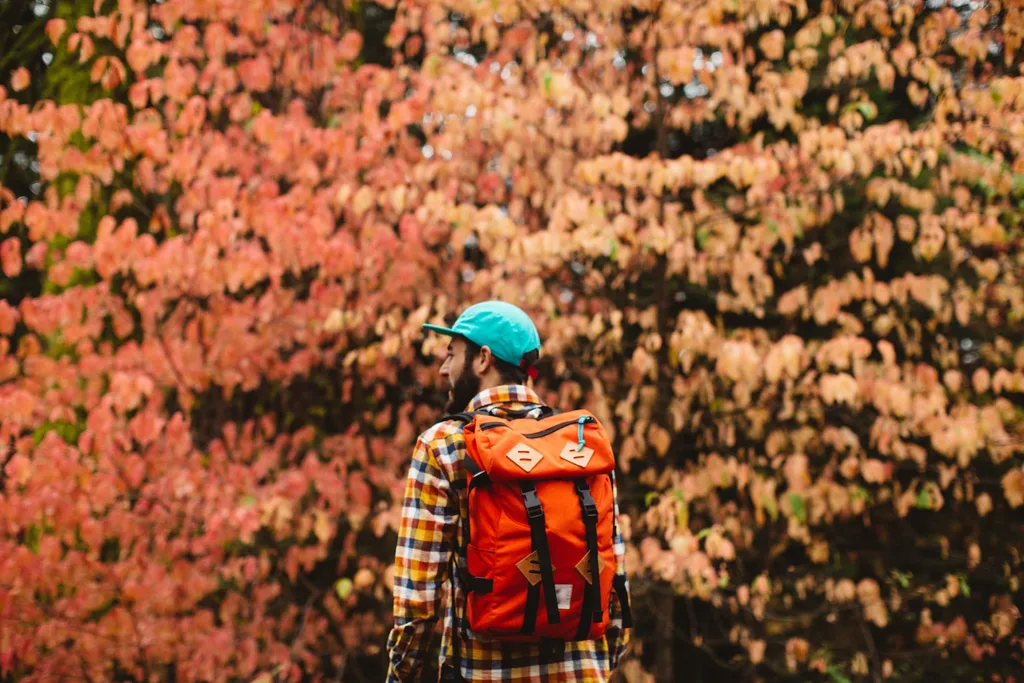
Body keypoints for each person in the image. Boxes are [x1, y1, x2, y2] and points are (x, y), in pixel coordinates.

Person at [385, 300, 630, 682]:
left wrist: (402, 673)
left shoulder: (444, 445)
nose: (443, 369)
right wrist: (600, 666)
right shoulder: (581, 448)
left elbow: (417, 598)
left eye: (452, 355)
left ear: (483, 359)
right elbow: (615, 583)